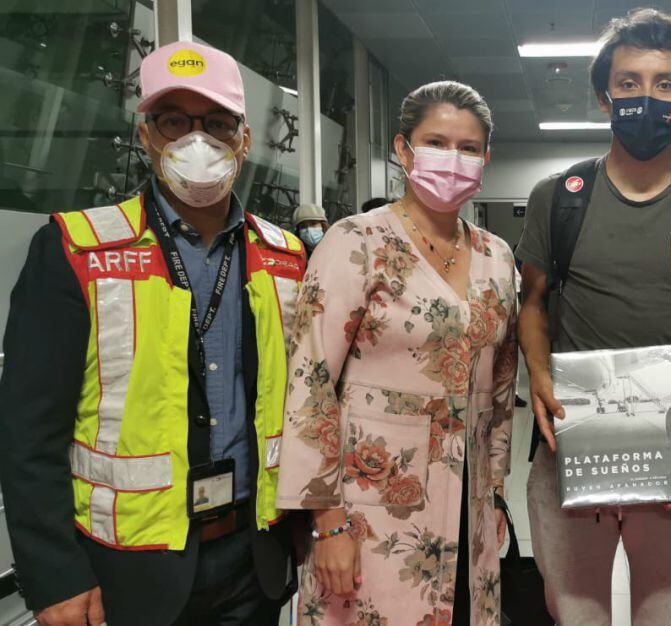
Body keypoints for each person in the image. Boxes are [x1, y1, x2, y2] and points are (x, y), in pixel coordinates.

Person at [0, 41, 304, 626]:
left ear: (244, 139)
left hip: (254, 554)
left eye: (217, 123)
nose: (198, 141)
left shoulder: (286, 256)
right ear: (146, 136)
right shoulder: (77, 249)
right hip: (124, 566)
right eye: (174, 121)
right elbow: (26, 432)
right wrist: (53, 573)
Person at [516, 9, 671, 624]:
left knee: (668, 610)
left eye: (664, 84)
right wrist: (539, 379)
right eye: (628, 83)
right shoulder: (560, 198)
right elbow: (532, 306)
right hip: (572, 447)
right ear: (605, 96)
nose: (645, 98)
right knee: (574, 610)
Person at [275, 80, 518, 626]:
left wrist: (496, 491)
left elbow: (502, 382)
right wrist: (328, 520)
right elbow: (311, 383)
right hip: (371, 508)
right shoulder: (354, 242)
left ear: (485, 158)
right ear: (403, 150)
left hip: (470, 502)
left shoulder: (497, 256)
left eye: (468, 148)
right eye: (436, 143)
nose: (452, 159)